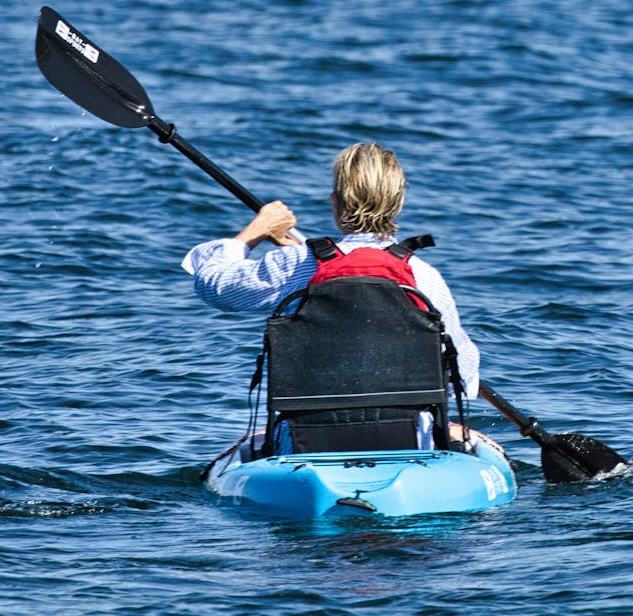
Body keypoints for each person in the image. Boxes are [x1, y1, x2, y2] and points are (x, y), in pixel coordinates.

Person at [183, 143, 481, 452]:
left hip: (307, 439)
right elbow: (464, 371)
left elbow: (214, 286)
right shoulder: (424, 275)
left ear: (335, 204)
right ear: (399, 203)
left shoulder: (295, 263)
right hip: (405, 437)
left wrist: (255, 232)